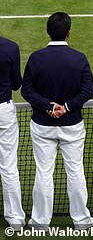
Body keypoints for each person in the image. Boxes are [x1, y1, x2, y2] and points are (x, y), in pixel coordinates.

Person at [21, 12, 93, 230]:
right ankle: (81, 220)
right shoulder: (79, 58)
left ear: (47, 31)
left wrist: (48, 106)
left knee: (44, 172)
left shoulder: (36, 58)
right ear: (69, 33)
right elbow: (88, 90)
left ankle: (40, 222)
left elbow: (27, 90)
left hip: (43, 125)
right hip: (71, 125)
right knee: (75, 171)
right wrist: (67, 107)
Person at [0, 35, 25, 229]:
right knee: (8, 165)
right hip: (3, 112)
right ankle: (16, 218)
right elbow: (16, 83)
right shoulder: (10, 46)